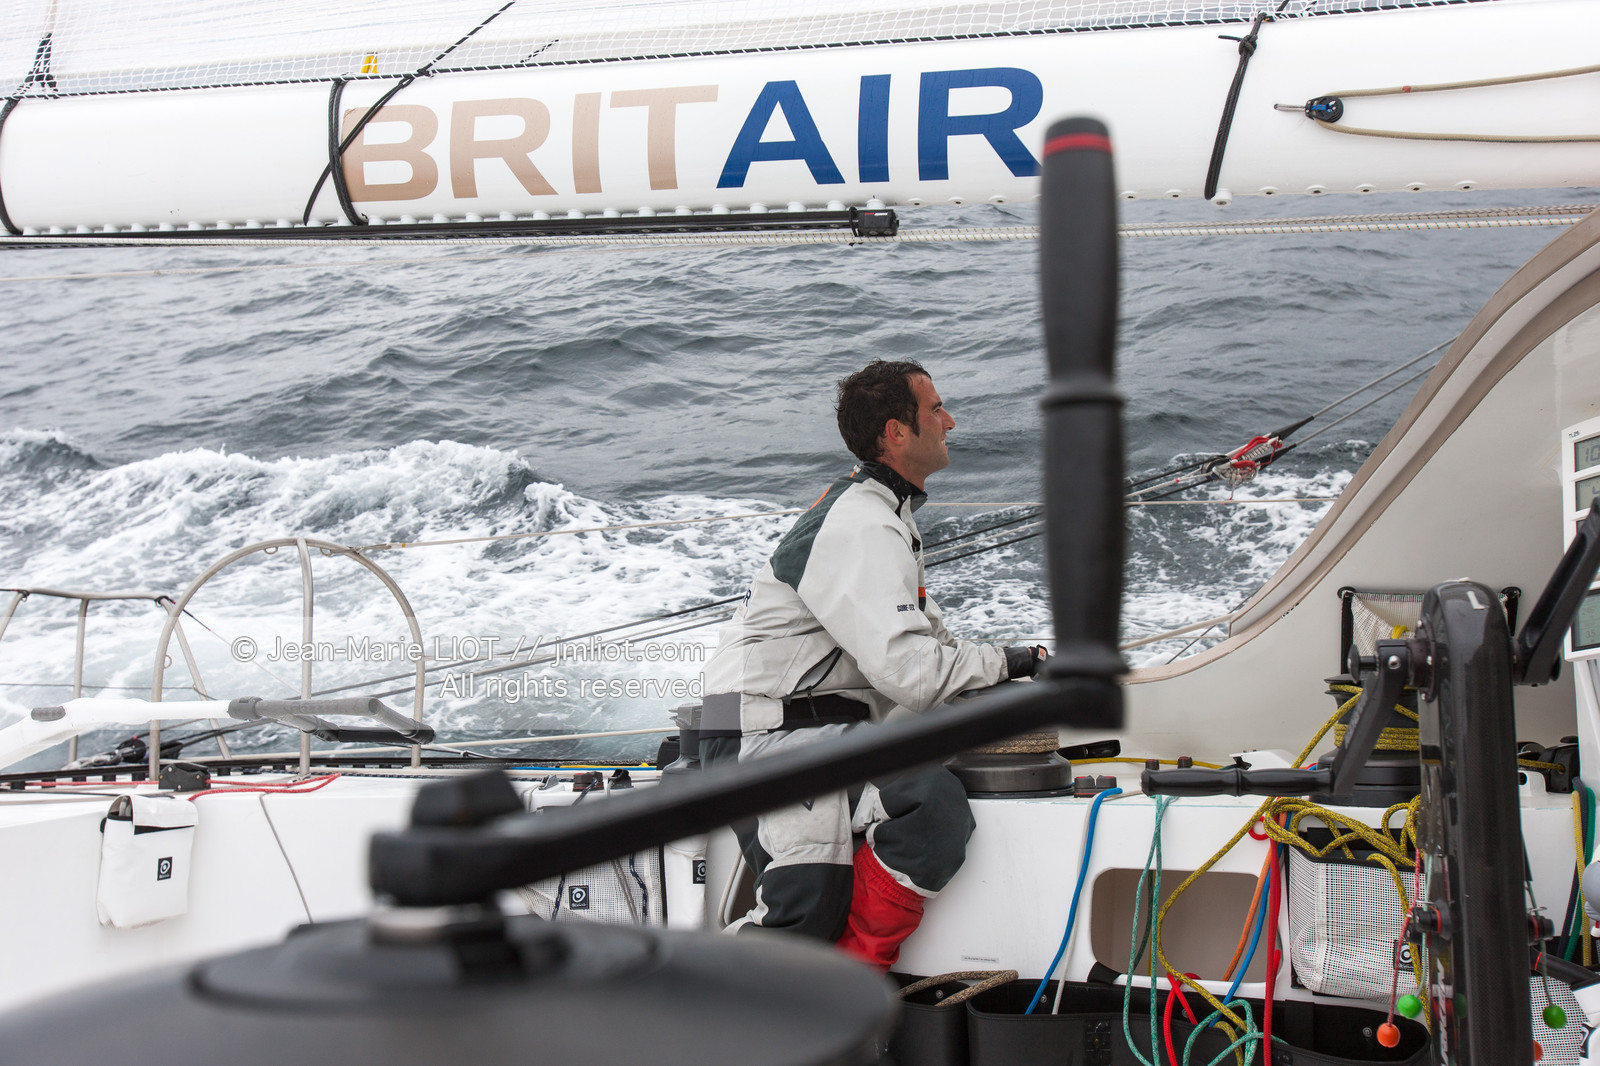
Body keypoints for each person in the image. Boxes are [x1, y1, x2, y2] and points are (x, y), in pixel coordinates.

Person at [699, 358, 1046, 970]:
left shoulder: (886, 516)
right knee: (805, 914)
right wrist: (1009, 662)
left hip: (813, 732)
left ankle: (847, 985)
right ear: (896, 432)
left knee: (927, 814)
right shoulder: (861, 524)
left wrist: (1010, 668)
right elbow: (912, 674)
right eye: (936, 409)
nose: (951, 421)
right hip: (760, 735)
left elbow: (927, 640)